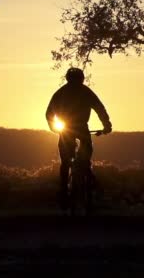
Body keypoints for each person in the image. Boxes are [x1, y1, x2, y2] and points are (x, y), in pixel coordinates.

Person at [45, 67, 112, 210]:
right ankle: (87, 177)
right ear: (82, 79)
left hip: (66, 129)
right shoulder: (86, 91)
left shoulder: (60, 92)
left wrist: (53, 127)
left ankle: (63, 191)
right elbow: (100, 108)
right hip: (81, 127)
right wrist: (106, 126)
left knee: (65, 162)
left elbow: (49, 112)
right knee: (85, 156)